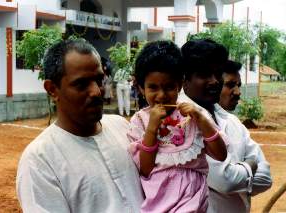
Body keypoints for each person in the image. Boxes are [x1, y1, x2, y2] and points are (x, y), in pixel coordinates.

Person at [16, 39, 144, 212]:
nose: (96, 91)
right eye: (81, 84)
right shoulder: (40, 160)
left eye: (99, 80)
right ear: (52, 89)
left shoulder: (123, 128)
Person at [127, 40, 227, 212]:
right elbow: (145, 168)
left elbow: (221, 155)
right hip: (158, 201)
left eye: (169, 87)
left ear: (180, 84)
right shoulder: (140, 121)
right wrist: (152, 128)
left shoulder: (194, 114)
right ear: (141, 88)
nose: (161, 95)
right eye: (153, 87)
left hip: (193, 198)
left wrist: (202, 120)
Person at [179, 39, 272, 213]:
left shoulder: (230, 120)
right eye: (204, 74)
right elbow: (226, 181)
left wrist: (236, 175)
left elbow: (266, 178)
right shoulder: (181, 122)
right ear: (184, 79)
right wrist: (248, 166)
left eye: (217, 73)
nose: (214, 81)